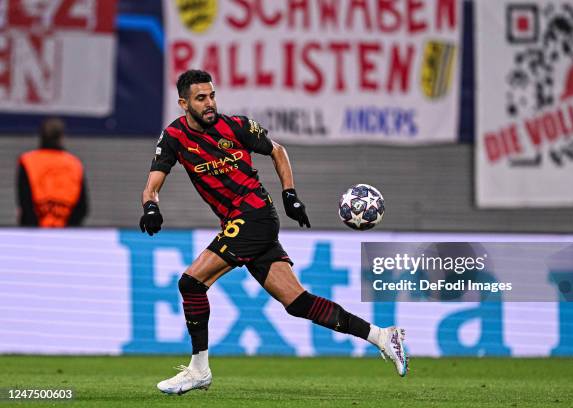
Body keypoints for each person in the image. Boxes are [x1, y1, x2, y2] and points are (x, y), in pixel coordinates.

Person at [140, 70, 408, 395]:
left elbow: (277, 150)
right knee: (297, 302)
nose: (210, 103)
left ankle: (199, 370)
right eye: (201, 98)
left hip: (254, 215)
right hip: (239, 223)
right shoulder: (173, 138)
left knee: (191, 283)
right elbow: (153, 184)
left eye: (211, 95)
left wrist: (289, 194)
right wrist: (151, 207)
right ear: (184, 103)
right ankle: (382, 336)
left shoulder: (236, 126)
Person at [16, 118, 88, 227]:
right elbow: (82, 207)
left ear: (40, 136)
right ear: (62, 138)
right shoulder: (74, 163)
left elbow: (25, 203)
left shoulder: (28, 161)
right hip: (67, 233)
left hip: (34, 233)